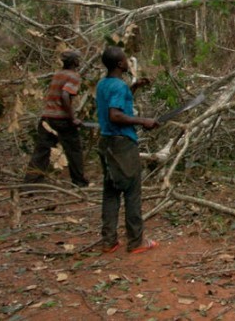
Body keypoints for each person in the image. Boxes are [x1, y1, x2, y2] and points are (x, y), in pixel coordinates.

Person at [96, 46, 159, 254]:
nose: (128, 62)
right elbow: (115, 114)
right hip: (122, 145)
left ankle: (109, 241)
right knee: (132, 191)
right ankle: (136, 241)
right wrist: (143, 121)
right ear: (120, 64)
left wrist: (134, 88)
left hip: (106, 142)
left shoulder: (103, 84)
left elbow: (117, 104)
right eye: (125, 59)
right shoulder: (118, 86)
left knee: (111, 191)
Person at [24, 50, 89, 188]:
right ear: (74, 62)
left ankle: (31, 182)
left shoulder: (57, 74)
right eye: (78, 59)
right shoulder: (74, 76)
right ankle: (79, 182)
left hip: (47, 117)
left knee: (42, 151)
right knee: (74, 150)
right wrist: (72, 119)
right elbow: (65, 95)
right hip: (61, 119)